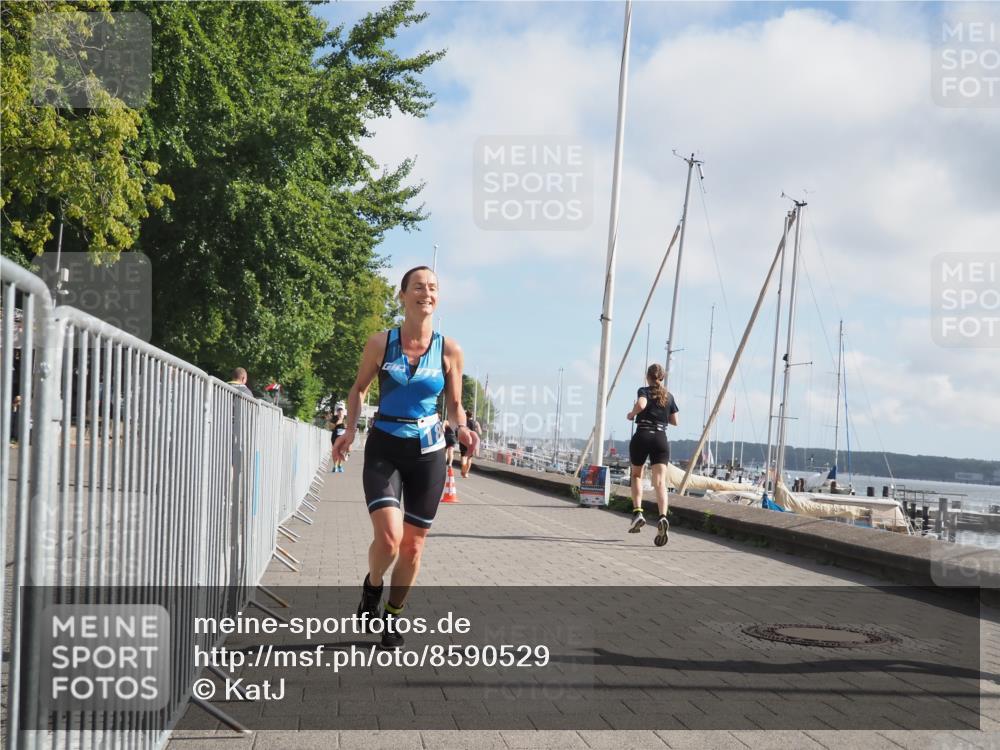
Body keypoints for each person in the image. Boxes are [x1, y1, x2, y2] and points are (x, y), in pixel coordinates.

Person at [332, 266, 479, 649]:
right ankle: (372, 586)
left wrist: (462, 429)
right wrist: (349, 431)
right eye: (418, 287)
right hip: (385, 445)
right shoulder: (381, 343)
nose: (426, 293)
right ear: (403, 296)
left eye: (432, 287)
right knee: (390, 539)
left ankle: (393, 616)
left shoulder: (450, 350)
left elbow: (455, 405)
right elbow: (359, 389)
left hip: (428, 452)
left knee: (414, 545)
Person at [625, 363, 679, 545]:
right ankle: (663, 517)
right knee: (660, 483)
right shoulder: (669, 396)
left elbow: (642, 403)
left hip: (643, 435)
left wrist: (632, 413)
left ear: (647, 377)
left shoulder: (644, 391)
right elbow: (675, 421)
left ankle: (638, 512)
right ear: (662, 378)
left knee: (636, 475)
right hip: (660, 439)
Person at [459, 409, 480, 478]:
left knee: (463, 456)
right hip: (472, 441)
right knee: (469, 458)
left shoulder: (463, 422)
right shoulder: (476, 423)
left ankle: (463, 470)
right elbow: (480, 432)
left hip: (464, 440)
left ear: (466, 415)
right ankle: (466, 473)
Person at [330, 402, 349, 473]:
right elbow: (330, 427)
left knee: (342, 451)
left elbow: (349, 426)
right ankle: (335, 466)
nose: (340, 411)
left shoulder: (347, 418)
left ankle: (340, 465)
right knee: (335, 451)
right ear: (337, 411)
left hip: (344, 437)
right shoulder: (334, 418)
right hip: (335, 437)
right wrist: (339, 420)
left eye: (341, 410)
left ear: (344, 411)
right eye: (338, 410)